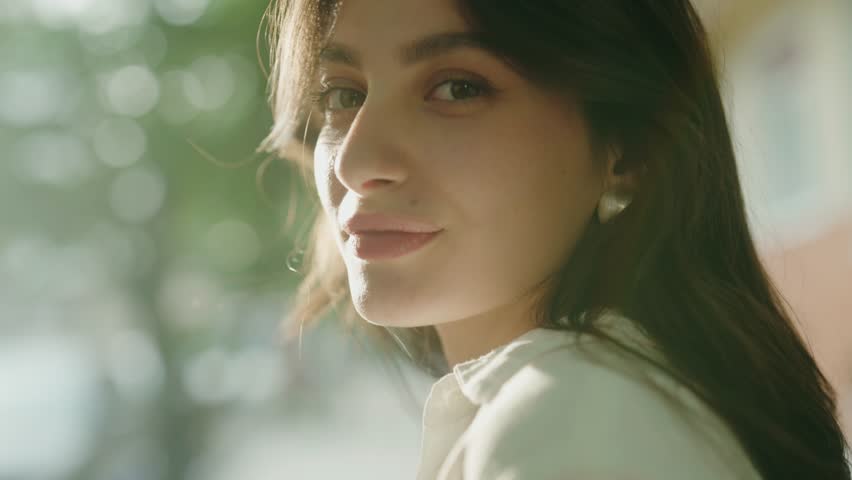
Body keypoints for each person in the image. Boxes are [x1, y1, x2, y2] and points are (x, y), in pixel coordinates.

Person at [258, 0, 852, 478]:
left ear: (630, 146)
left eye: (457, 88)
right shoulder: (624, 397)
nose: (356, 161)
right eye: (343, 94)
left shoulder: (568, 423)